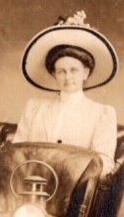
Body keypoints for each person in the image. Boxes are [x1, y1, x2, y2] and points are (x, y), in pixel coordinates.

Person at [13, 11, 118, 175]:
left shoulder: (102, 114)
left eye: (74, 70)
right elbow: (16, 153)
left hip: (74, 191)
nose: (68, 77)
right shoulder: (34, 108)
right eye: (61, 71)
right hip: (31, 185)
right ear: (54, 74)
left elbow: (104, 163)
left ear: (86, 73)